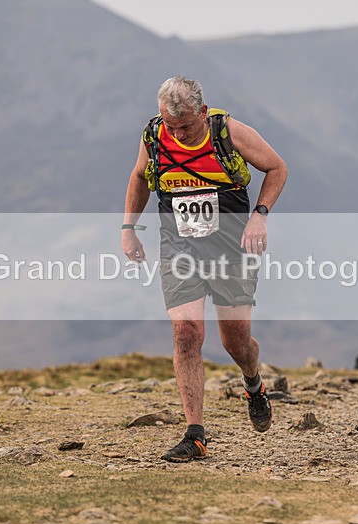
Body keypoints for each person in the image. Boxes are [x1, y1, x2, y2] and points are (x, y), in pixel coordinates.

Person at [122, 76, 287, 462]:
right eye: (171, 126)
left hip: (232, 247)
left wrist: (259, 216)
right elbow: (139, 177)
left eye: (185, 127)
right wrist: (129, 228)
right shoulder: (154, 135)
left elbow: (277, 169)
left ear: (202, 110)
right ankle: (195, 435)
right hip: (179, 247)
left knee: (235, 342)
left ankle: (254, 384)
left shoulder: (228, 131)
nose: (177, 134)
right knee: (186, 332)